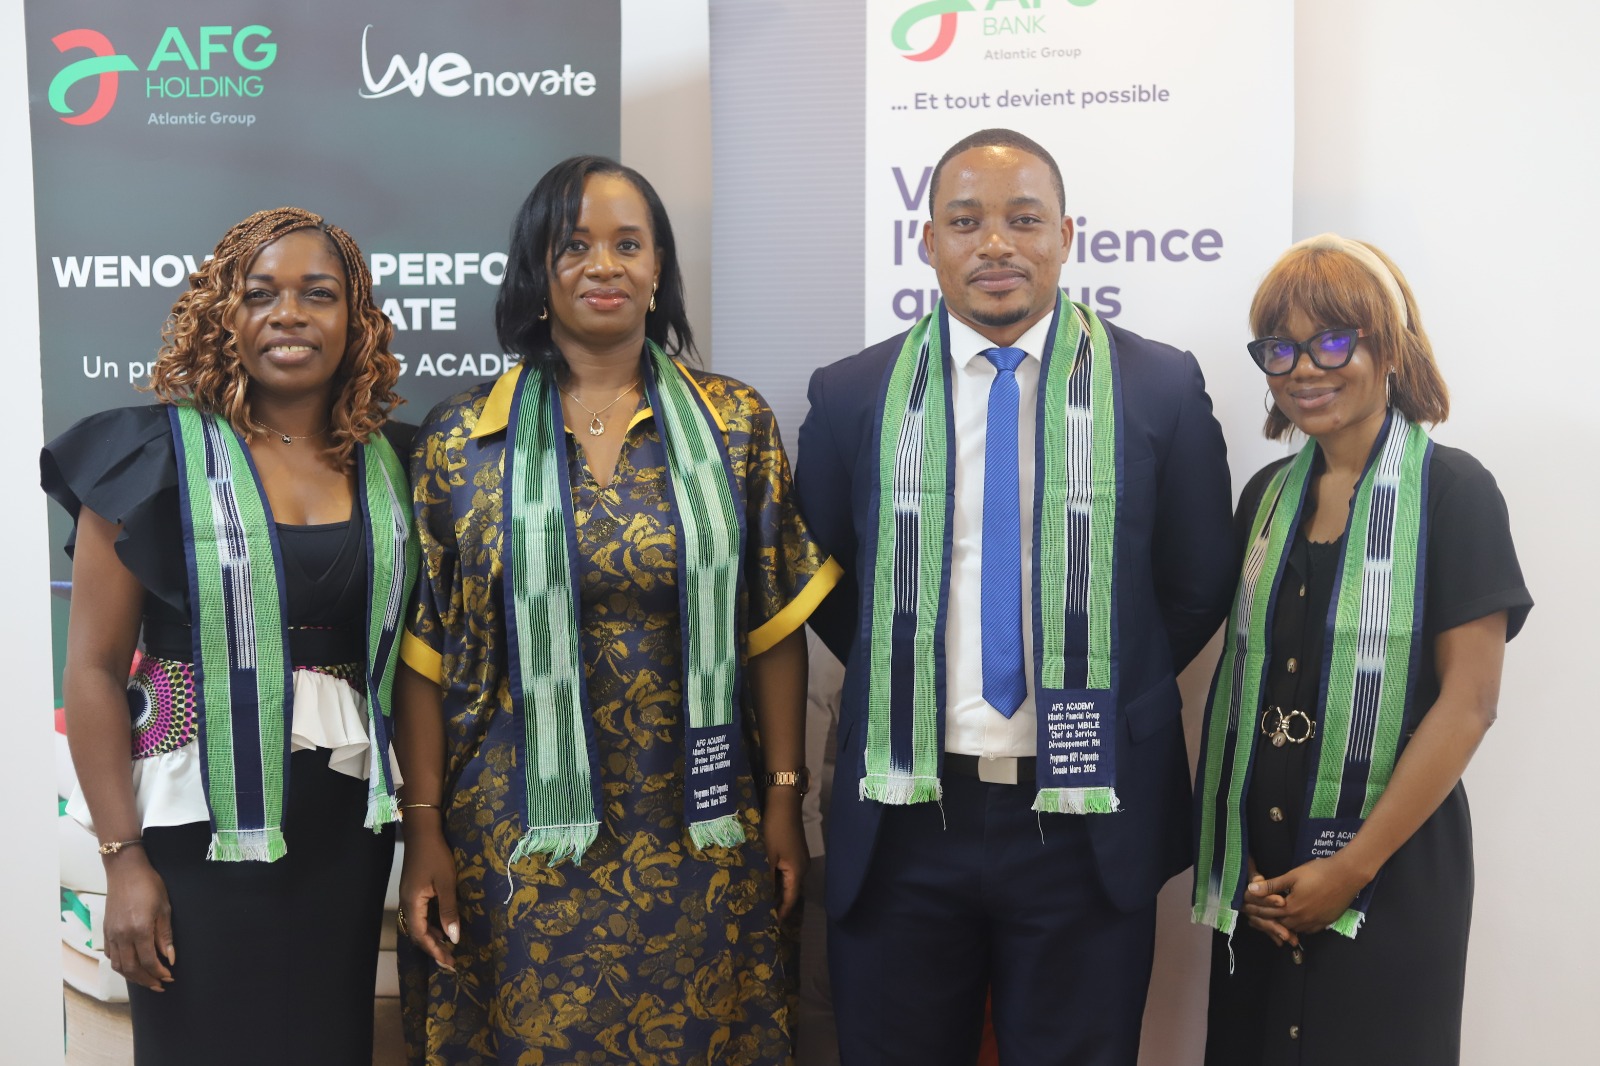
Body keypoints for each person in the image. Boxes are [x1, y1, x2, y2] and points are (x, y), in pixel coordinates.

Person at [796, 128, 1236, 1065]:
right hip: (906, 813)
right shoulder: (851, 395)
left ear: (1066, 236)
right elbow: (830, 585)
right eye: (966, 222)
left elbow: (1197, 582)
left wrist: (1102, 676)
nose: (995, 244)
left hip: (1086, 817)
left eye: (1024, 219)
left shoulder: (1158, 385)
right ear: (928, 242)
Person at [394, 155, 840, 1064]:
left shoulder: (735, 424)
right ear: (537, 268)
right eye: (575, 246)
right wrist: (425, 824)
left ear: (658, 266)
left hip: (702, 823)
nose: (604, 265)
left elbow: (772, 632)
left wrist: (785, 800)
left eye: (628, 244)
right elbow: (424, 656)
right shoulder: (461, 436)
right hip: (513, 833)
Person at [41, 207, 415, 1065]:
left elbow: (417, 661)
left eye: (318, 294)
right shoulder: (150, 456)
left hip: (341, 829)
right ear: (223, 313)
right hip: (192, 830)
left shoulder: (395, 460)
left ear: (355, 319)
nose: (289, 314)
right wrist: (122, 860)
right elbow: (93, 670)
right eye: (260, 294)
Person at [1192, 235, 1531, 1065]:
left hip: (1391, 872)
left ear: (1390, 347)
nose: (1305, 368)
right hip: (1262, 878)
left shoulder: (1453, 492)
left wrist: (1350, 869)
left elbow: (1470, 703)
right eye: (1280, 349)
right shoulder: (1265, 498)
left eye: (1333, 341)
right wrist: (1247, 861)